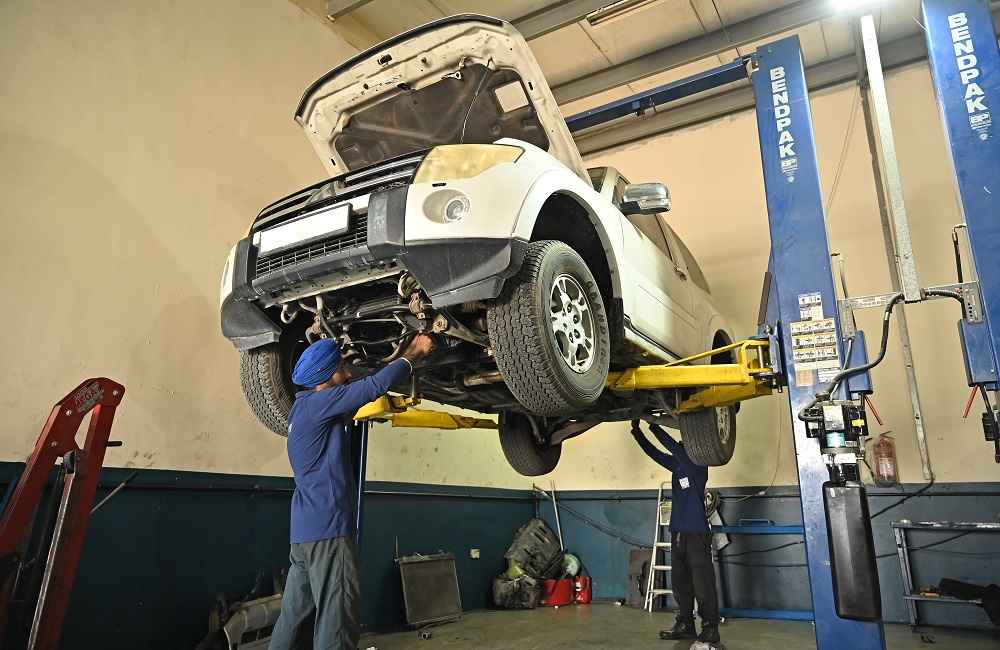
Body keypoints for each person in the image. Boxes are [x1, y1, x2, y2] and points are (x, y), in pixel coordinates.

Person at [269, 333, 435, 650]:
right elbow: (372, 386)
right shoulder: (319, 404)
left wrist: (401, 359)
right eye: (342, 366)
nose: (347, 371)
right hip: (329, 531)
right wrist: (415, 353)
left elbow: (357, 399)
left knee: (294, 617)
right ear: (326, 375)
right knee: (337, 619)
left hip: (304, 535)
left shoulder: (301, 410)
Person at [631, 420, 720, 644]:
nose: (680, 446)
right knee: (681, 584)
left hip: (697, 535)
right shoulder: (678, 465)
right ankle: (686, 625)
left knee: (703, 585)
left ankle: (710, 628)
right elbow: (654, 452)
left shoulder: (698, 466)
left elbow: (670, 445)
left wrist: (654, 425)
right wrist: (636, 431)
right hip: (678, 533)